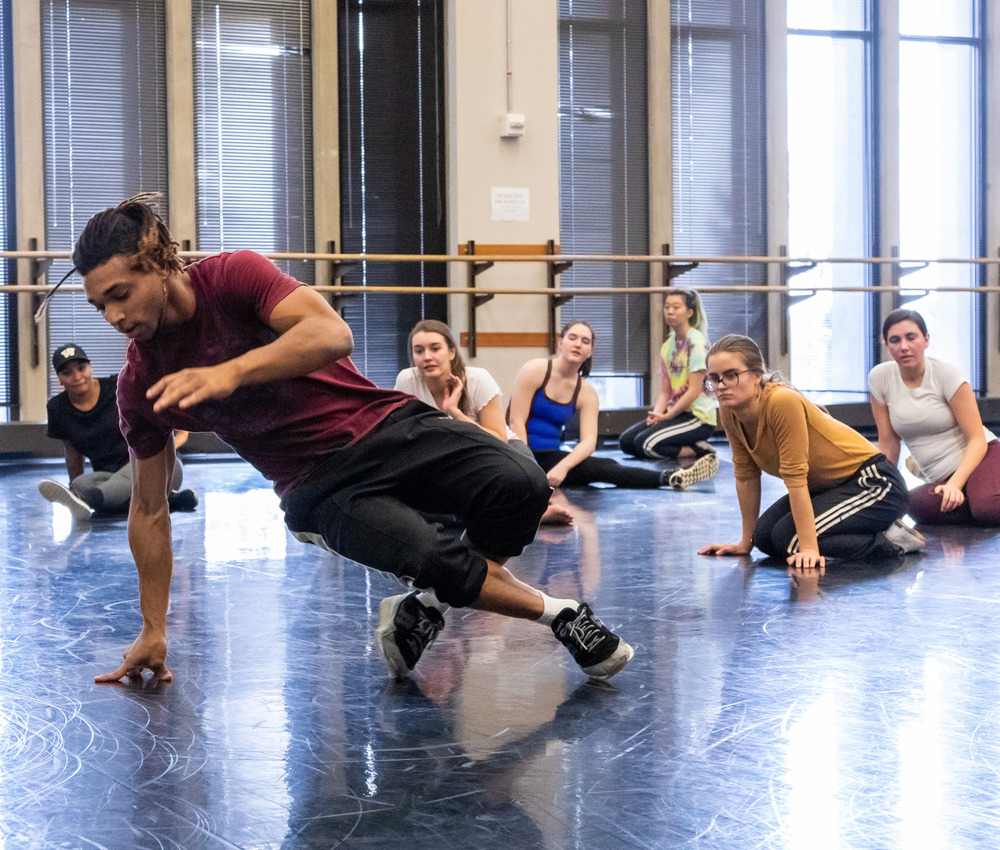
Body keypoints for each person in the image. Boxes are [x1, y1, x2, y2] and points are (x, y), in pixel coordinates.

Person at [73, 194, 633, 685]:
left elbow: (331, 334)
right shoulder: (139, 382)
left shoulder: (235, 275)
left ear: (160, 263)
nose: (114, 316)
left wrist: (230, 372)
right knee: (428, 554)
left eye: (121, 293)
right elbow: (149, 510)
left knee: (523, 484)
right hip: (318, 488)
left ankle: (426, 607)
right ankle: (562, 616)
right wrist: (152, 627)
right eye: (100, 305)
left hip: (386, 425)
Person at [698, 334, 924, 569]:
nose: (721, 385)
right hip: (828, 489)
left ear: (756, 375)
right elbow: (746, 476)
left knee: (790, 540)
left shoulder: (782, 401)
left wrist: (808, 548)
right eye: (714, 378)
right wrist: (746, 542)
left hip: (876, 484)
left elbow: (795, 478)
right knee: (764, 537)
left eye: (731, 375)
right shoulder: (729, 411)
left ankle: (892, 541)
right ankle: (856, 528)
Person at [394, 319, 573, 525]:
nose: (427, 357)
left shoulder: (478, 379)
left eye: (435, 348)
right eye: (419, 351)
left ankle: (528, 514)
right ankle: (515, 516)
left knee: (531, 478)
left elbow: (498, 438)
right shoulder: (406, 380)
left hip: (496, 448)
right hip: (445, 455)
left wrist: (454, 412)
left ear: (451, 351)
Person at [508, 320, 714, 490]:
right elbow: (516, 421)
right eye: (572, 338)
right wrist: (528, 469)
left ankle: (670, 477)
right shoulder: (534, 370)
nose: (578, 344)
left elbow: (588, 443)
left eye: (585, 341)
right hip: (515, 455)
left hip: (550, 459)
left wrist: (563, 468)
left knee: (606, 467)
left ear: (590, 351)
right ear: (560, 343)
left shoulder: (586, 393)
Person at [869, 308, 1000, 526]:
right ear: (886, 344)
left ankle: (984, 498)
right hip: (941, 476)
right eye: (895, 340)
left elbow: (977, 439)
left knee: (987, 510)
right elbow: (889, 443)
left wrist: (955, 485)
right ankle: (982, 497)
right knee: (911, 504)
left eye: (911, 337)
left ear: (926, 339)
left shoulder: (947, 375)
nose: (904, 346)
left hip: (982, 458)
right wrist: (881, 488)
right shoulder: (879, 378)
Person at [39, 342, 196, 521]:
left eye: (81, 368)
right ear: (59, 379)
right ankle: (169, 500)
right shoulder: (57, 408)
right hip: (109, 475)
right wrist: (74, 487)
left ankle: (89, 500)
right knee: (80, 484)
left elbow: (160, 396)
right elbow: (72, 452)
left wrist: (181, 435)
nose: (77, 376)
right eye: (67, 373)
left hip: (155, 463)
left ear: (91, 368)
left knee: (116, 485)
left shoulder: (118, 385)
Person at [618, 288, 719, 477]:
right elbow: (666, 391)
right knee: (627, 442)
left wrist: (668, 415)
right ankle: (686, 444)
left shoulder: (697, 343)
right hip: (676, 415)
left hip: (697, 418)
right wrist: (657, 414)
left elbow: (694, 391)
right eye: (667, 307)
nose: (670, 311)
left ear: (689, 312)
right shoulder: (668, 345)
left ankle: (697, 449)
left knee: (645, 445)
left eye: (676, 307)